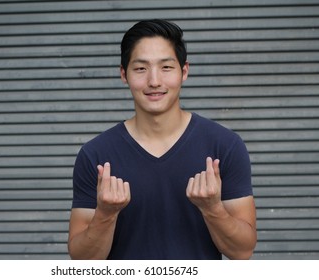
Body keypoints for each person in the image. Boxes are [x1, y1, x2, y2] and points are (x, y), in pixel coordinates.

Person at [67, 19, 257, 260]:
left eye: (166, 67)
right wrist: (106, 214)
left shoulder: (224, 146)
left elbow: (242, 251)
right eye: (141, 68)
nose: (154, 81)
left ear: (184, 71)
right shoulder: (95, 155)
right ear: (123, 74)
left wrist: (212, 209)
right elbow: (82, 261)